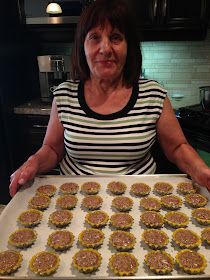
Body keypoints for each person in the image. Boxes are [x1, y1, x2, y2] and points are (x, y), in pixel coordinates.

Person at [9, 0, 210, 196]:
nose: (105, 49)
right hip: (75, 202)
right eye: (95, 37)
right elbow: (52, 149)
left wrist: (200, 169)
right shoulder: (64, 95)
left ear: (128, 47)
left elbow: (177, 148)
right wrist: (33, 162)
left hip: (138, 200)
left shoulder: (153, 94)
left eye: (115, 37)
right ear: (82, 46)